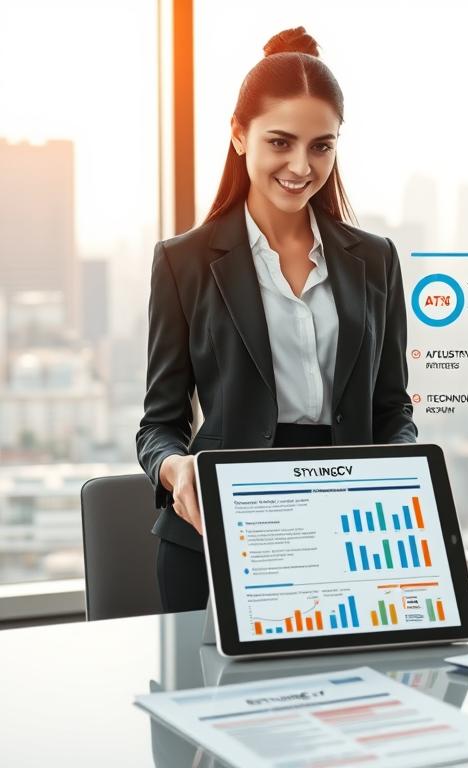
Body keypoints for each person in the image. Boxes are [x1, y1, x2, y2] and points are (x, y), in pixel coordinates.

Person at [136, 26, 416, 613]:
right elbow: (158, 425)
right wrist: (174, 468)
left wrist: (402, 478)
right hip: (217, 531)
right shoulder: (183, 262)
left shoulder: (375, 259)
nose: (300, 165)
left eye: (321, 146)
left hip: (347, 528)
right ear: (240, 137)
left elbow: (392, 408)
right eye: (280, 142)